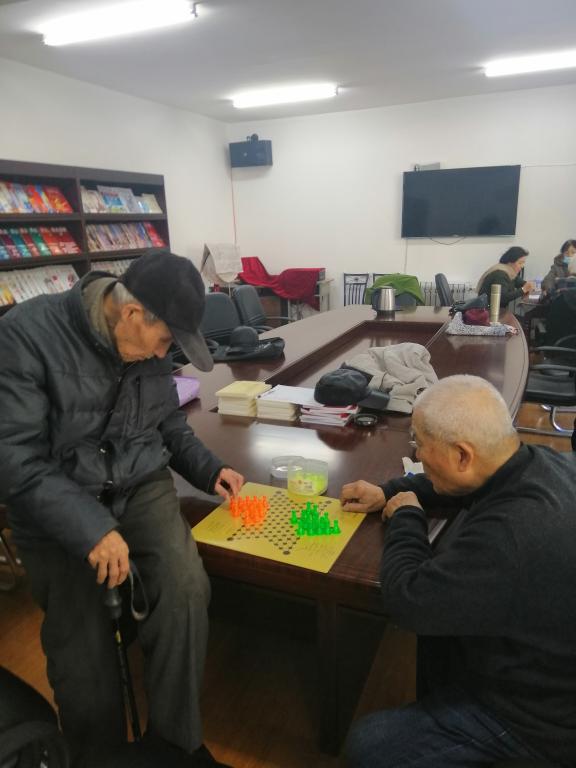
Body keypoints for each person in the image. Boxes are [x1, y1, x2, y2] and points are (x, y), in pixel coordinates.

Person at [0, 251, 244, 767]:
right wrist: (92, 528)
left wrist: (209, 468)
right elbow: (15, 458)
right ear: (132, 314)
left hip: (139, 480)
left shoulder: (147, 346)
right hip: (56, 498)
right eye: (165, 341)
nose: (164, 353)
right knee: (82, 646)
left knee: (185, 588)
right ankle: (99, 757)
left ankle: (174, 746)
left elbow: (167, 422)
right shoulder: (24, 335)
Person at [340, 375, 576, 768]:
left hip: (541, 721)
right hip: (550, 653)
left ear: (462, 456)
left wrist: (407, 517)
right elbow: (460, 485)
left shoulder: (510, 536)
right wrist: (388, 490)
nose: (417, 453)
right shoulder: (538, 461)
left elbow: (409, 601)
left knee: (370, 746)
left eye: (419, 444)